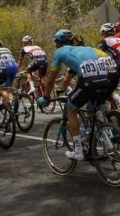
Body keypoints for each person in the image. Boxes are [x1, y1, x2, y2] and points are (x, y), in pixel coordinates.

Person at [39, 29, 112, 160]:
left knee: (70, 108)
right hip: (107, 77)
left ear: (57, 42)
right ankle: (108, 143)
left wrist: (45, 97)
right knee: (92, 108)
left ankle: (78, 150)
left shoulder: (60, 52)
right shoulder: (87, 49)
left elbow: (51, 78)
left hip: (89, 80)